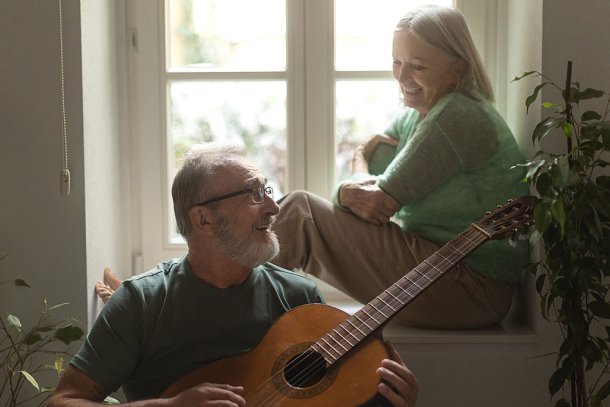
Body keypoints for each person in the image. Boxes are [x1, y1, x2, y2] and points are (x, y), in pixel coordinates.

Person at [49, 145, 418, 406]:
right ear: (203, 219)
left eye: (267, 190)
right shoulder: (141, 302)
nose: (274, 207)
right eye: (255, 194)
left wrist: (394, 400)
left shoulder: (300, 297)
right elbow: (63, 402)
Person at [271, 5, 530, 330]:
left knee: (300, 214)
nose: (402, 77)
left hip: (471, 286)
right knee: (300, 217)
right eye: (397, 62)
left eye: (418, 66)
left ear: (458, 69)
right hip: (443, 270)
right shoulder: (418, 112)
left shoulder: (458, 116)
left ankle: (210, 299)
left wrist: (355, 168)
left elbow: (375, 203)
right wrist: (355, 186)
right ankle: (225, 302)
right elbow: (367, 193)